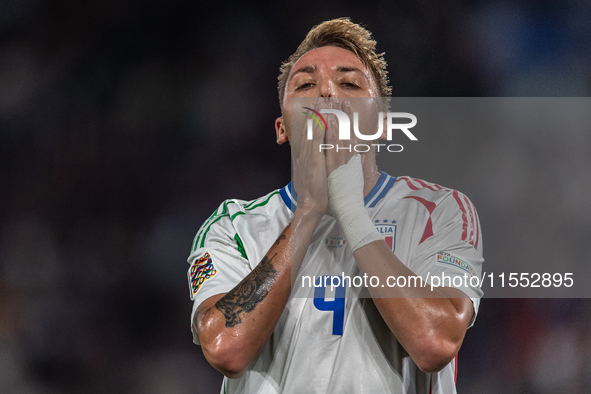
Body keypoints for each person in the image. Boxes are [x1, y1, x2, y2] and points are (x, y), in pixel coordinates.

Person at [187, 18, 483, 393]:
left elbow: (436, 342)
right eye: (306, 84)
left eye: (349, 83)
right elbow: (226, 349)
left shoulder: (438, 211)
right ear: (283, 129)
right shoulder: (233, 226)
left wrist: (350, 210)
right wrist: (309, 209)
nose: (326, 93)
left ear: (383, 125)